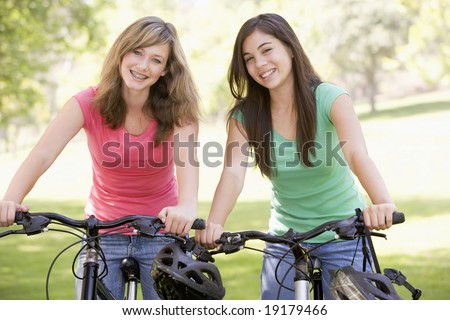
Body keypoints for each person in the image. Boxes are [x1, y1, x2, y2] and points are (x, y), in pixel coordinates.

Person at [195, 13, 397, 300]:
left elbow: (356, 154)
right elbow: (233, 172)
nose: (259, 64)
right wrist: (215, 223)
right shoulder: (244, 117)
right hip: (284, 239)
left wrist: (382, 202)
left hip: (343, 234)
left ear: (289, 47)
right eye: (249, 58)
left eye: (267, 50)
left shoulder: (330, 98)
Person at [0, 16, 200, 299]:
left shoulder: (180, 111)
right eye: (137, 52)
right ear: (122, 52)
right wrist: (10, 199)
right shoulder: (88, 103)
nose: (143, 66)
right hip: (103, 233)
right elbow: (43, 154)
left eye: (156, 60)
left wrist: (188, 206)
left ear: (166, 70)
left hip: (161, 232)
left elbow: (188, 162)